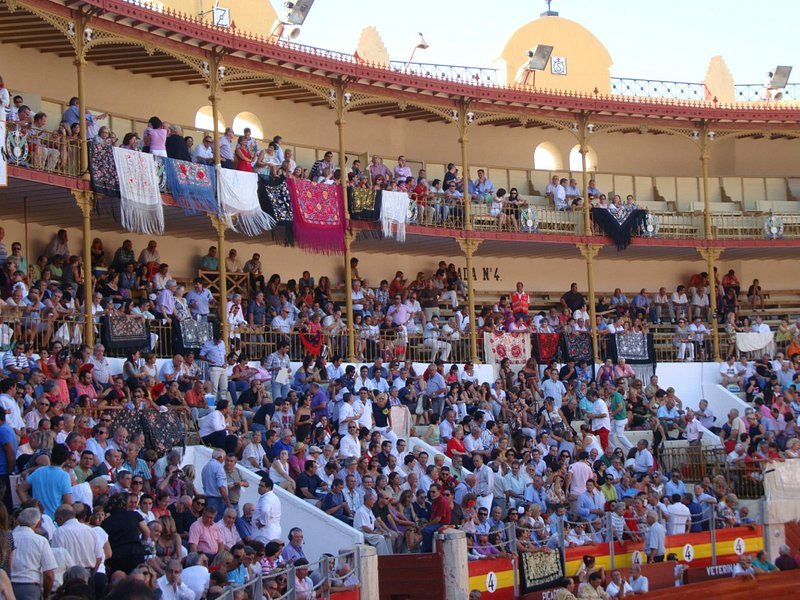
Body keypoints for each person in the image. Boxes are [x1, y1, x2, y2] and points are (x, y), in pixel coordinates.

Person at [11, 507, 57, 600]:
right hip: (30, 589)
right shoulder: (41, 541)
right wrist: (46, 595)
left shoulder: (7, 538)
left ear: (18, 520)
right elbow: (49, 574)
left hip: (7, 586)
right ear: (38, 523)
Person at [254, 478, 282, 543]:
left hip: (265, 534)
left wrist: (262, 522)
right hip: (274, 532)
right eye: (259, 485)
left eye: (262, 486)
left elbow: (265, 511)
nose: (259, 487)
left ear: (268, 488)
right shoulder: (275, 497)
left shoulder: (266, 499)